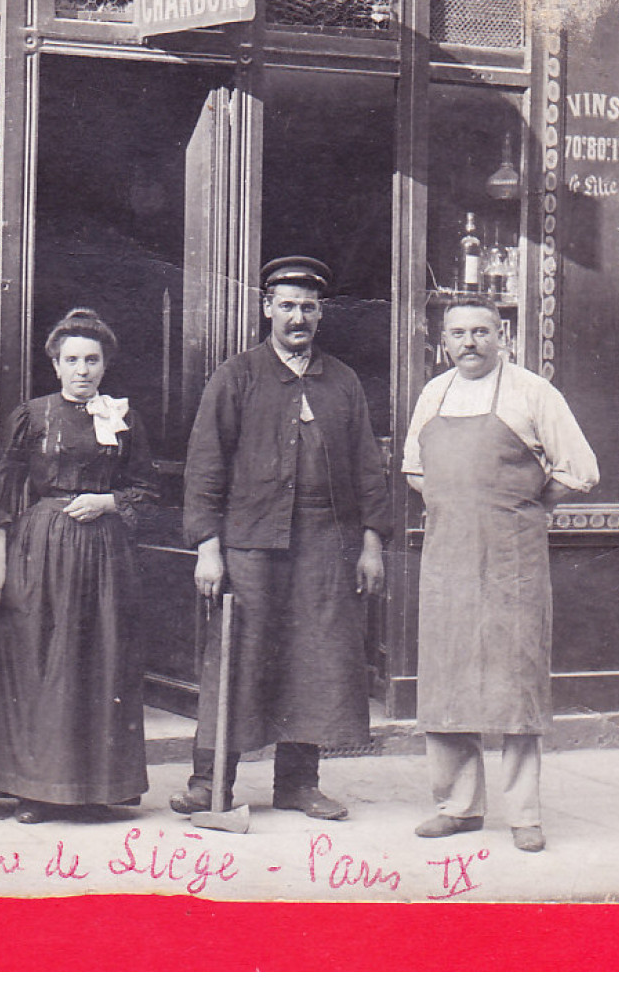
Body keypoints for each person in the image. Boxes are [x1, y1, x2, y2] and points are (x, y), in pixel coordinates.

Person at [173, 256, 389, 822]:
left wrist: (371, 541)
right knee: (237, 659)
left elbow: (369, 465)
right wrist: (207, 546)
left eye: (308, 307)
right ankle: (209, 784)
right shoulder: (237, 376)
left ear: (321, 314)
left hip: (325, 544)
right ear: (266, 308)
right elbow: (205, 465)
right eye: (287, 305)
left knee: (315, 659)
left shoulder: (341, 381)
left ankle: (298, 783)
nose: (298, 317)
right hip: (248, 542)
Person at [402, 297, 598, 853]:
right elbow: (416, 470)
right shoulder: (432, 394)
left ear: (502, 336)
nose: (470, 342)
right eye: (458, 333)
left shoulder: (534, 392)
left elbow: (580, 471)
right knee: (447, 681)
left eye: (481, 332)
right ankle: (458, 808)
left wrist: (525, 504)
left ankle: (524, 816)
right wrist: (456, 502)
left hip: (513, 559)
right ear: (443, 340)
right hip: (447, 559)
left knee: (515, 686)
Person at [0, 309, 158, 823]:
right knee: (38, 662)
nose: (83, 369)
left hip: (103, 552)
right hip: (41, 549)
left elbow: (146, 488)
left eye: (92, 360)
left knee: (98, 661)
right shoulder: (32, 415)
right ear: (55, 365)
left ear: (105, 365)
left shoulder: (121, 416)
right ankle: (34, 790)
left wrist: (107, 502)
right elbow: (6, 488)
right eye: (72, 359)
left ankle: (94, 789)